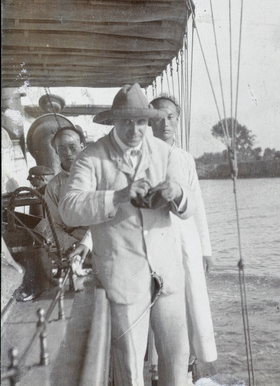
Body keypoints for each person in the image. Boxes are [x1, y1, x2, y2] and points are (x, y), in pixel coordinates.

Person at [59, 83, 196, 386]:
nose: (135, 130)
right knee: (130, 371)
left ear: (149, 122)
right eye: (127, 122)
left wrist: (177, 193)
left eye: (141, 121)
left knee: (177, 363)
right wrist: (118, 196)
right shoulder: (90, 158)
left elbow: (188, 210)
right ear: (113, 122)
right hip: (123, 279)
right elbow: (68, 208)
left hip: (168, 277)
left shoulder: (166, 153)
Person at [149, 95, 217, 380]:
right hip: (157, 238)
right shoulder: (142, 155)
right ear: (149, 121)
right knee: (160, 299)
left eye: (171, 117)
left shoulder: (186, 158)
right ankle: (156, 366)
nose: (165, 124)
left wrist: (205, 248)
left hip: (186, 238)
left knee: (191, 297)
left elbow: (197, 204)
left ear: (177, 120)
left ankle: (189, 361)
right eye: (158, 118)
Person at [38, 126, 92, 264]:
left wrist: (87, 243)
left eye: (72, 147)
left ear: (82, 146)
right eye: (62, 149)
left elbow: (107, 217)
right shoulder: (53, 187)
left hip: (101, 241)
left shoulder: (98, 176)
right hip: (72, 249)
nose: (67, 153)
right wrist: (73, 245)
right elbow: (53, 226)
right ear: (56, 152)